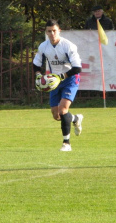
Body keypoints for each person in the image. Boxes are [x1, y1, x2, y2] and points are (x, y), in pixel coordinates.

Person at [33, 19, 84, 151]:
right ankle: (75, 118)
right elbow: (36, 64)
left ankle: (66, 143)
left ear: (59, 31)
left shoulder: (68, 46)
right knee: (56, 115)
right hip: (54, 81)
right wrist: (39, 75)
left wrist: (61, 76)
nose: (52, 33)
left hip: (70, 78)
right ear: (46, 32)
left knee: (62, 110)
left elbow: (77, 68)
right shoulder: (43, 46)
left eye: (54, 31)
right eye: (49, 31)